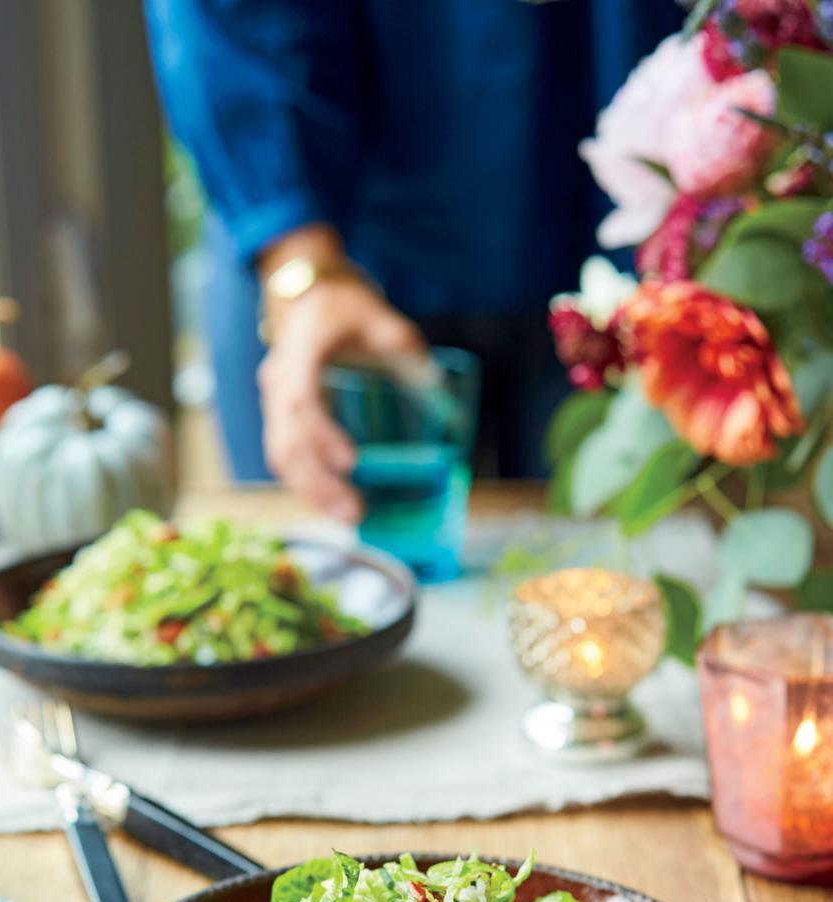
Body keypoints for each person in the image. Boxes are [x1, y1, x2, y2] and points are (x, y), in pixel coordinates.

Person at [144, 0, 680, 519]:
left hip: (626, 229)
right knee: (336, 580)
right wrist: (301, 265)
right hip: (327, 234)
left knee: (625, 572)